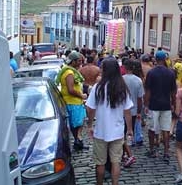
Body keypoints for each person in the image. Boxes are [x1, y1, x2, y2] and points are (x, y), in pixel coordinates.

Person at [86, 57, 133, 185]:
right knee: (116, 162)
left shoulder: (98, 88)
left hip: (100, 131)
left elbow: (91, 108)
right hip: (117, 131)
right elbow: (127, 111)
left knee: (100, 163)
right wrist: (129, 129)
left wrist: (90, 125)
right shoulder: (122, 88)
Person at [144, 50, 177, 162]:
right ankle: (166, 152)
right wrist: (173, 104)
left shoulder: (151, 73)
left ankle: (152, 149)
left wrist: (146, 104)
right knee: (166, 129)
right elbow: (173, 92)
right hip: (166, 104)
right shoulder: (170, 73)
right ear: (165, 59)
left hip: (153, 104)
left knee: (152, 128)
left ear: (155, 59)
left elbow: (148, 90)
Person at [56, 51, 87, 150]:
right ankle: (78, 139)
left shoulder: (68, 70)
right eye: (78, 61)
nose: (80, 63)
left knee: (77, 123)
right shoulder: (69, 73)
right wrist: (81, 95)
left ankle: (78, 141)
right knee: (78, 123)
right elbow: (71, 89)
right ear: (73, 62)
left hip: (73, 101)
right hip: (73, 101)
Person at [122, 59, 144, 167]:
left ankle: (125, 153)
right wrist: (140, 111)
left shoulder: (121, 79)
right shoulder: (138, 80)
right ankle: (128, 151)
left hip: (122, 111)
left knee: (122, 131)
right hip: (134, 110)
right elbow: (140, 99)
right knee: (130, 132)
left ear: (125, 68)